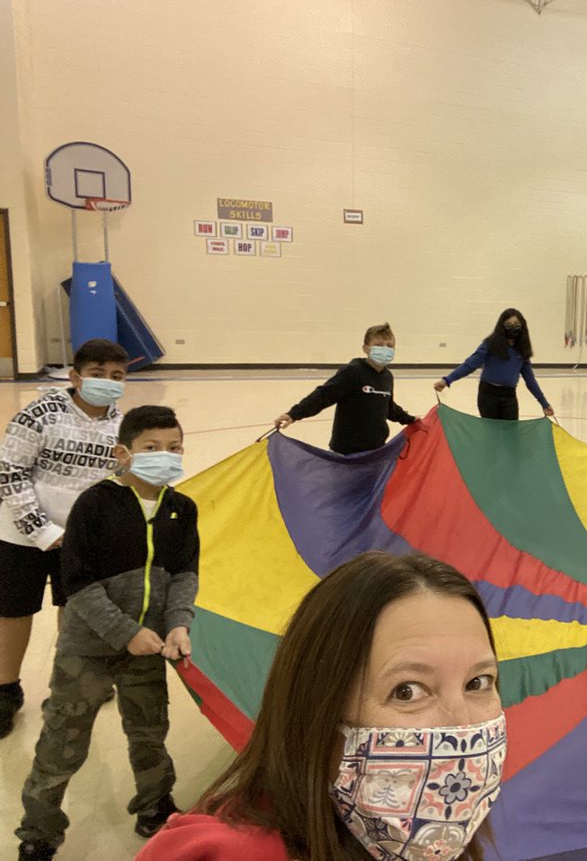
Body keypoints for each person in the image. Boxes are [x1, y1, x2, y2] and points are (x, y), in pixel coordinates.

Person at [136, 551, 505, 861]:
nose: (462, 725)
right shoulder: (225, 853)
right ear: (318, 706)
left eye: (478, 682)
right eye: (407, 690)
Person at [16, 406, 198, 859]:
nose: (165, 457)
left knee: (150, 733)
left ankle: (155, 808)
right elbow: (76, 582)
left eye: (173, 448)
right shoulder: (95, 504)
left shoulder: (182, 508)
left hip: (148, 648)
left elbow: (183, 575)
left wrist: (178, 623)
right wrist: (124, 632)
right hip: (88, 650)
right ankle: (39, 830)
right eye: (151, 448)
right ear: (123, 453)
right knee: (63, 740)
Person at [0, 338, 127, 739]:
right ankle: (5, 690)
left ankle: (69, 680)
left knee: (75, 608)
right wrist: (42, 530)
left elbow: (112, 484)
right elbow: (9, 471)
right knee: (13, 611)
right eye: (97, 374)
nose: (107, 382)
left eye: (117, 376)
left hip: (82, 538)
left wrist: (126, 472)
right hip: (21, 533)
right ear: (75, 377)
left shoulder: (121, 424)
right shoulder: (41, 413)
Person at [274, 323, 418, 454]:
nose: (385, 349)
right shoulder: (352, 372)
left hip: (375, 451)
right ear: (366, 349)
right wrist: (294, 414)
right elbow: (324, 395)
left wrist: (410, 419)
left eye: (389, 345)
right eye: (379, 345)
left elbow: (388, 407)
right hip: (345, 452)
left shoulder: (387, 376)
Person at [434, 308, 554, 420]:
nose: (513, 328)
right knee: (490, 434)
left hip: (509, 396)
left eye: (517, 325)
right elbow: (469, 365)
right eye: (509, 325)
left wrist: (544, 403)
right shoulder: (490, 344)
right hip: (488, 396)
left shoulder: (522, 350)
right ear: (502, 326)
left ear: (522, 327)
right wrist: (446, 381)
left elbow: (530, 380)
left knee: (510, 433)